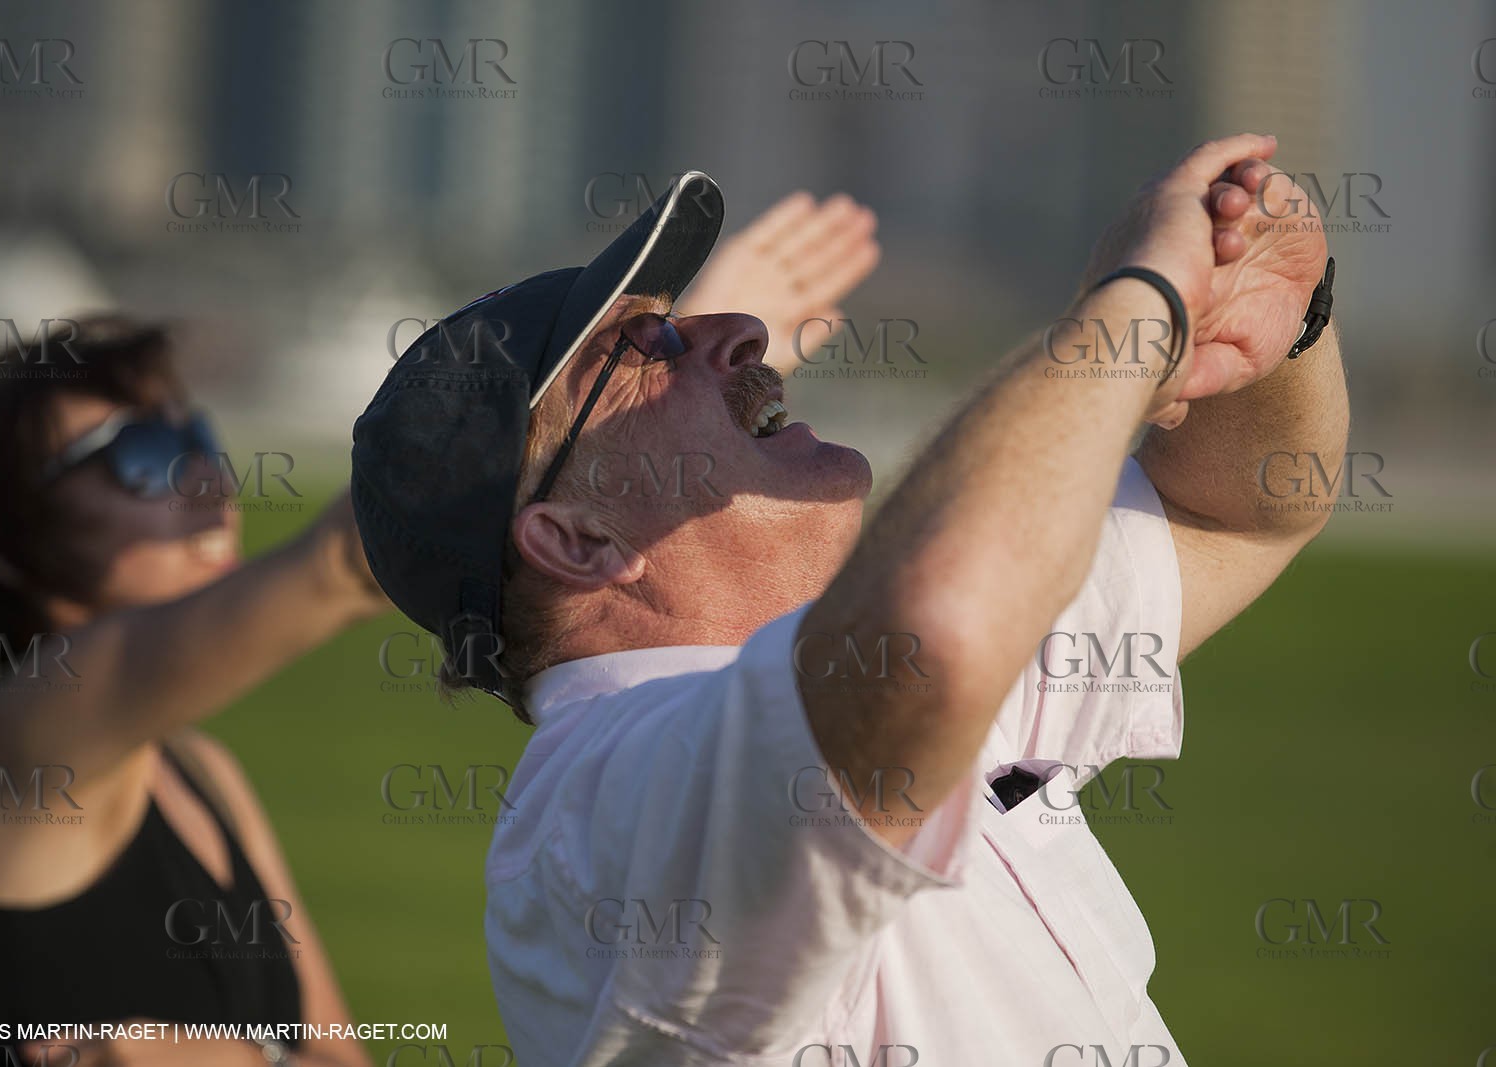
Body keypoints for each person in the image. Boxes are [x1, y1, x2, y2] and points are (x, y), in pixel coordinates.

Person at [348, 134, 1344, 1064]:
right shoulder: (605, 791)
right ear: (573, 537)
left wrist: (1275, 317)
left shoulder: (840, 663)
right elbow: (940, 642)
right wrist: (1139, 304)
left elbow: (1236, 508)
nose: (741, 332)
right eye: (646, 347)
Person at [0, 192, 882, 1067]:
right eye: (143, 453)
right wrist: (651, 374)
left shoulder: (202, 778)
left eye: (197, 434)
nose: (207, 477)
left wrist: (670, 388)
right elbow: (359, 551)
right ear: (12, 543)